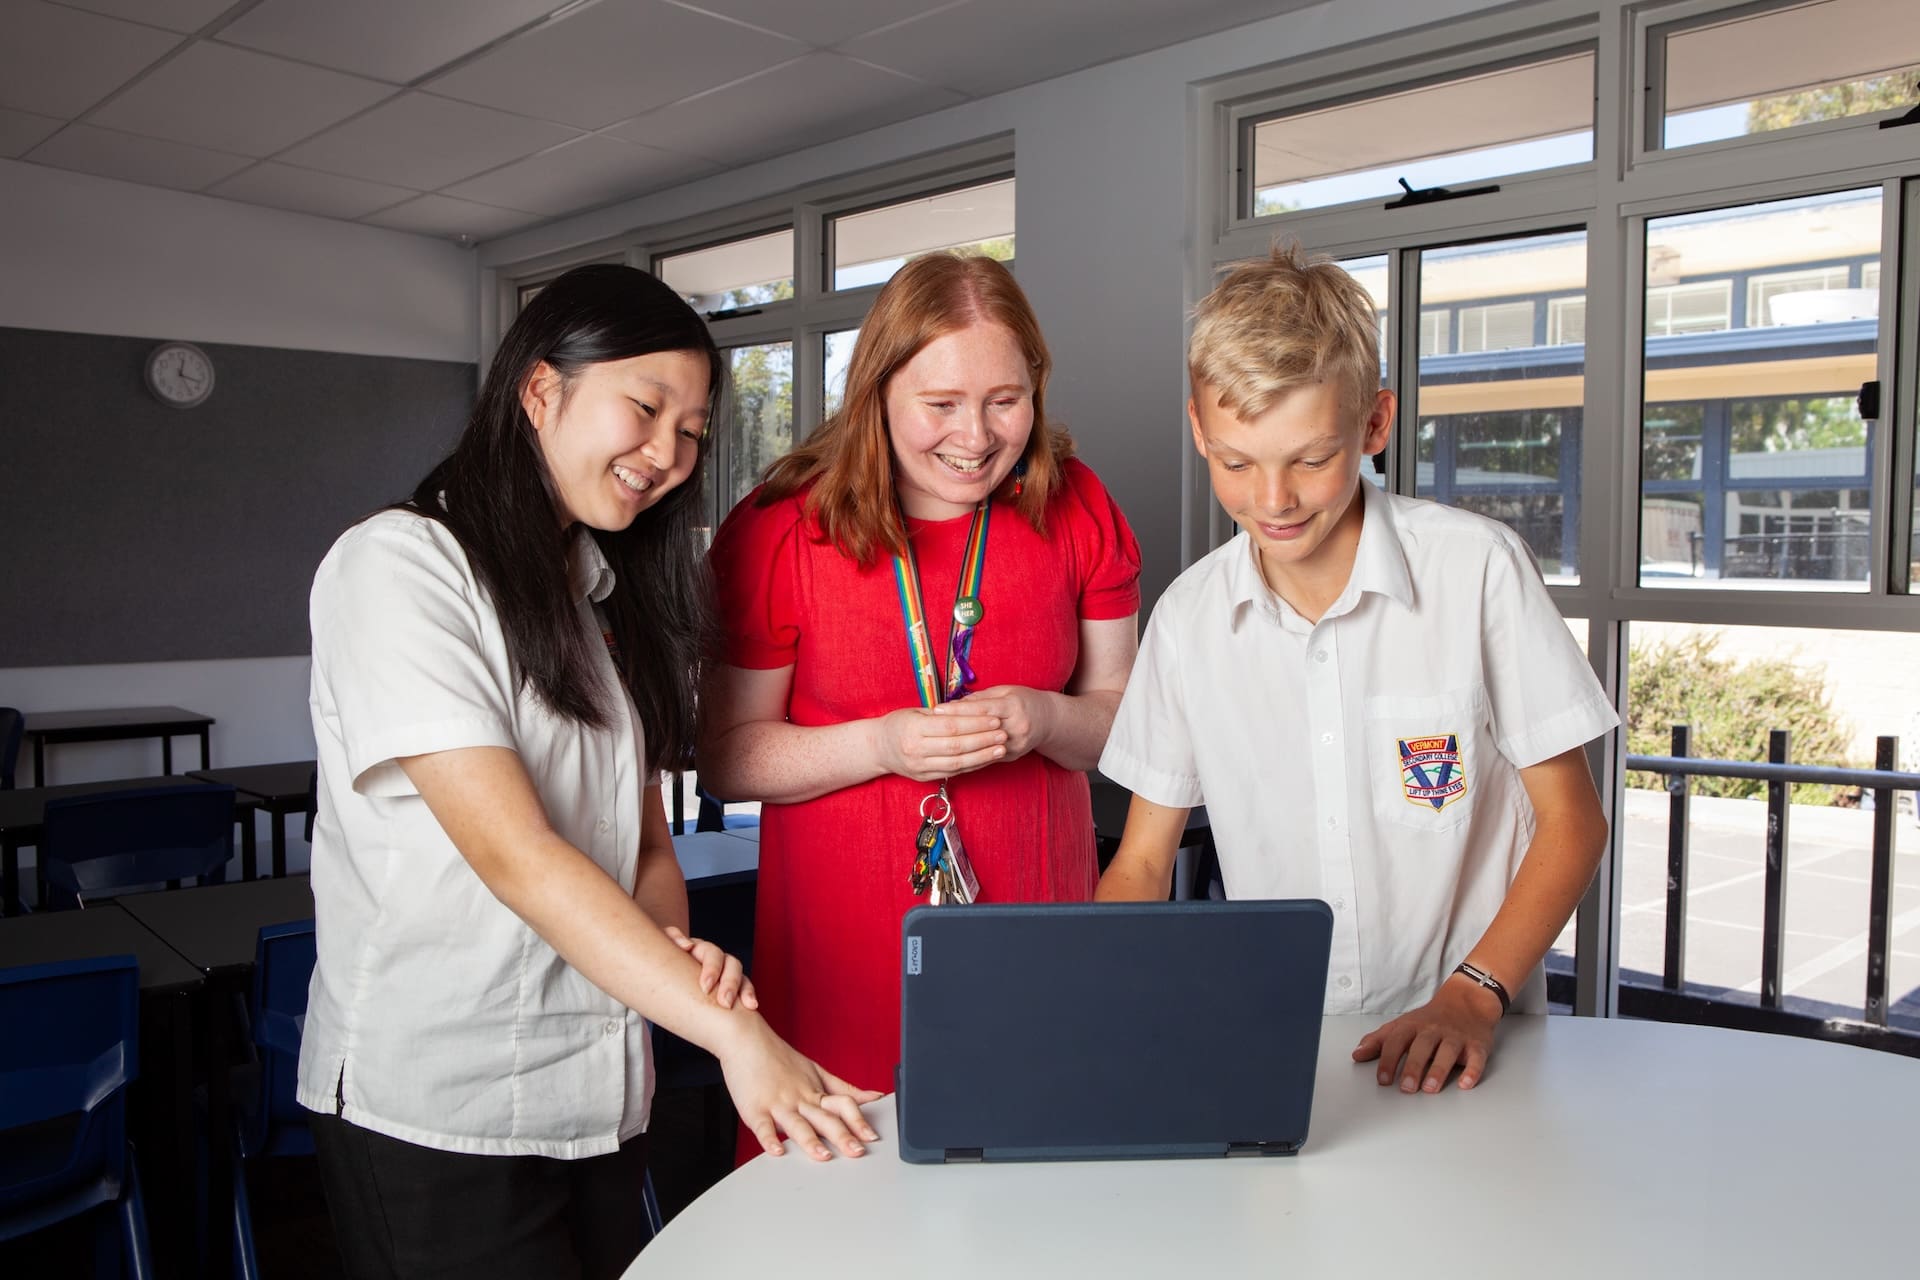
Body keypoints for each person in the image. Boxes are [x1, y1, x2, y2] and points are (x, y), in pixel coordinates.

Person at [300, 263, 879, 1280]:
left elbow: (643, 838)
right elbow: (517, 853)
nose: (667, 454)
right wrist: (733, 1034)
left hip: (597, 1090)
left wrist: (677, 958)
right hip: (446, 1105)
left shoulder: (596, 591)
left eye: (693, 432)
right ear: (539, 388)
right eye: (646, 408)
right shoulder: (400, 566)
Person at [1095, 242, 1615, 1096]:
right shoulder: (1188, 621)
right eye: (1236, 462)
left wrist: (1473, 996)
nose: (1274, 500)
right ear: (1197, 427)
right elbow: (1143, 865)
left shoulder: (1476, 569)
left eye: (1310, 458)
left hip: (1474, 1047)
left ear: (1375, 424)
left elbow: (1572, 821)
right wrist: (1088, 996)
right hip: (1281, 1042)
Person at [698, 253, 1142, 1100]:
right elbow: (727, 757)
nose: (975, 439)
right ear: (877, 392)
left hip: (1039, 961)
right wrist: (884, 745)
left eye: (1004, 402)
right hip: (842, 975)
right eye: (939, 405)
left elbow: (1127, 724)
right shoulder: (780, 528)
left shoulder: (1077, 504)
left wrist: (1046, 720)